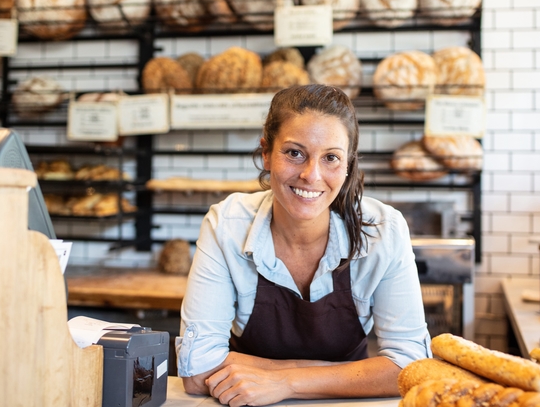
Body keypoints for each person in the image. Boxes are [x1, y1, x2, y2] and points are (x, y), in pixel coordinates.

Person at [176, 84, 430, 406]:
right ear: (266, 153)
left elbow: (412, 367)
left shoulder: (383, 232)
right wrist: (353, 374)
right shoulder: (227, 225)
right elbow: (197, 372)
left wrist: (286, 381)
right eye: (295, 153)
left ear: (349, 164)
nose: (312, 175)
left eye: (331, 158)